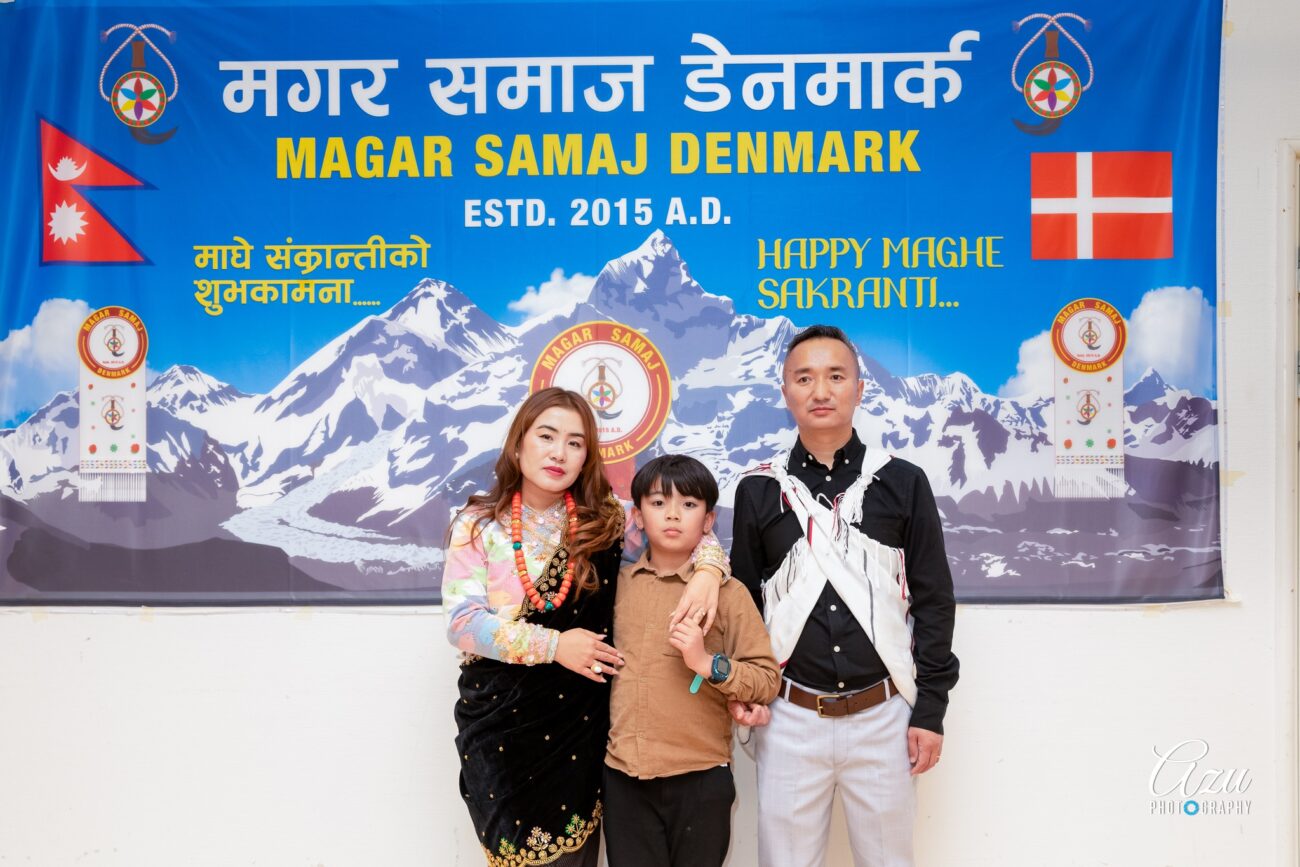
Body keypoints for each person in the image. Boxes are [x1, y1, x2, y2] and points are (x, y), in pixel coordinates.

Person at [442, 387, 727, 866]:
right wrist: (555, 645)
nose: (559, 452)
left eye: (574, 443)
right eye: (547, 436)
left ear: (586, 457)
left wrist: (708, 573)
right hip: (503, 731)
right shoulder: (478, 524)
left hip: (578, 731)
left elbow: (686, 532)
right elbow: (462, 624)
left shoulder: (606, 522)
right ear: (518, 444)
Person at [729, 325, 960, 867]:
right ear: (785, 392)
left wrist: (930, 711)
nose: (820, 391)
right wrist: (744, 685)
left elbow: (934, 600)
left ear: (860, 388)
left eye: (836, 376)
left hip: (885, 716)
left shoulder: (903, 482)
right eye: (804, 378)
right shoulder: (759, 489)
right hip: (788, 715)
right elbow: (742, 602)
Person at [603, 455, 780, 867]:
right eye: (658, 503)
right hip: (624, 779)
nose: (672, 514)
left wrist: (706, 663)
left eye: (688, 504)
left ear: (708, 520)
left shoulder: (728, 593)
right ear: (637, 516)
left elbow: (766, 679)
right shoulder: (616, 587)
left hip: (701, 779)